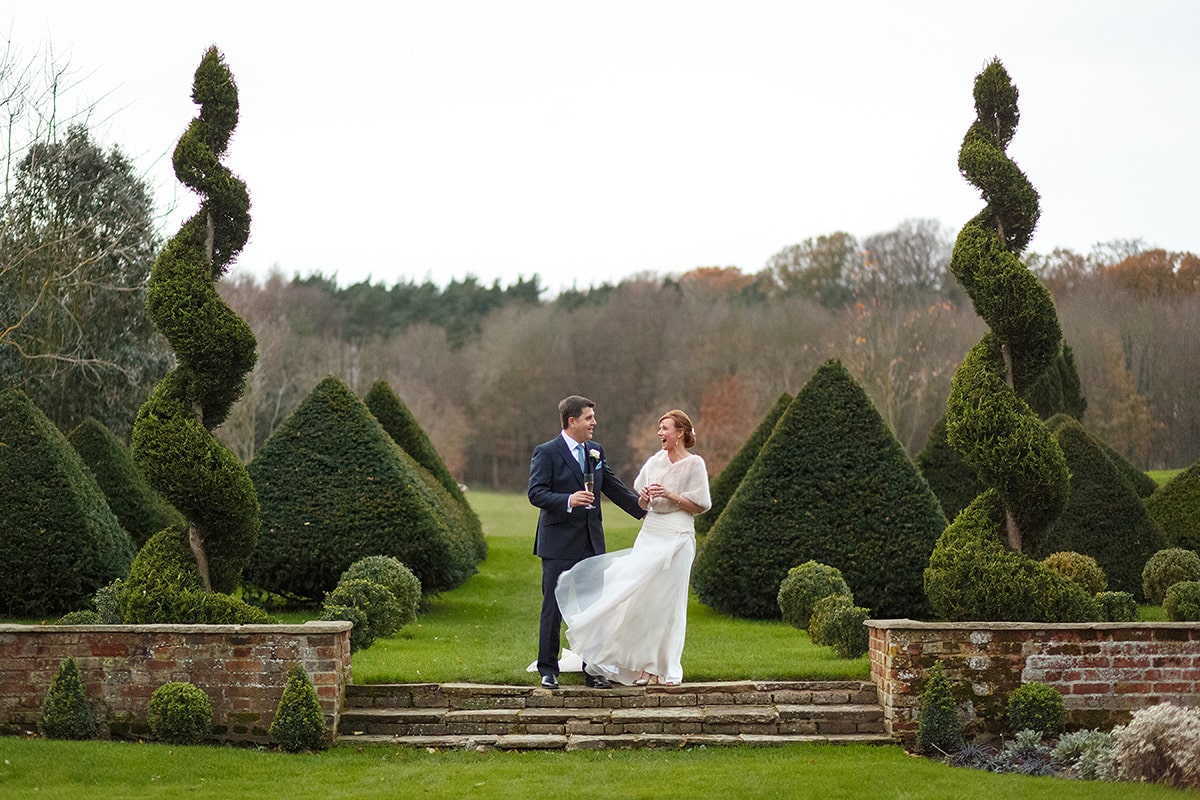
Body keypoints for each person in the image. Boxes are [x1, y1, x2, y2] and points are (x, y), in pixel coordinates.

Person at [555, 409, 711, 686]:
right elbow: (641, 502)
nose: (660, 434)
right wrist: (645, 497)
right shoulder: (654, 461)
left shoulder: (694, 465)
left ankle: (662, 668)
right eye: (659, 429)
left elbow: (700, 505)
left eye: (665, 428)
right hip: (651, 534)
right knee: (639, 602)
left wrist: (670, 495)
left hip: (678, 536)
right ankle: (638, 665)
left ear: (681, 433)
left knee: (668, 605)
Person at [528, 395, 645, 690]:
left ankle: (592, 669)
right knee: (553, 607)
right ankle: (548, 669)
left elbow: (613, 486)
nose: (594, 423)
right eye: (589, 418)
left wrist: (643, 510)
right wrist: (568, 499)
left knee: (594, 609)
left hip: (591, 542)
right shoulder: (547, 452)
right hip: (557, 544)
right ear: (572, 421)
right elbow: (536, 493)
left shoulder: (595, 450)